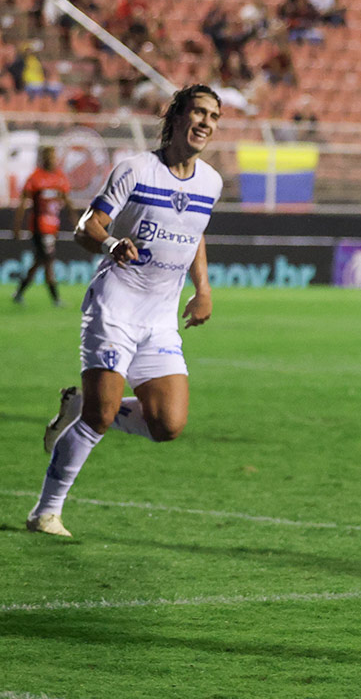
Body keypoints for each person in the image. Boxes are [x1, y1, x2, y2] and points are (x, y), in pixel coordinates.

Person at [25, 85, 224, 538]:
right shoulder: (135, 170)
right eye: (198, 112)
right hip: (114, 306)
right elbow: (85, 226)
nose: (206, 122)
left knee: (168, 425)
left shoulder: (210, 182)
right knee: (101, 417)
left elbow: (194, 234)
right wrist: (113, 243)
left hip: (159, 319)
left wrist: (203, 289)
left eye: (213, 116)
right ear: (176, 117)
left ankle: (81, 406)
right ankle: (45, 511)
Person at [11, 146, 78, 306]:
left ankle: (19, 293)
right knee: (48, 260)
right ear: (44, 158)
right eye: (50, 157)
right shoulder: (35, 178)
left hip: (53, 226)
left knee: (39, 261)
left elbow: (66, 199)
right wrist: (17, 226)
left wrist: (75, 219)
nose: (52, 160)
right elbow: (23, 203)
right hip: (39, 226)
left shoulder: (60, 177)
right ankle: (56, 299)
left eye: (54, 157)